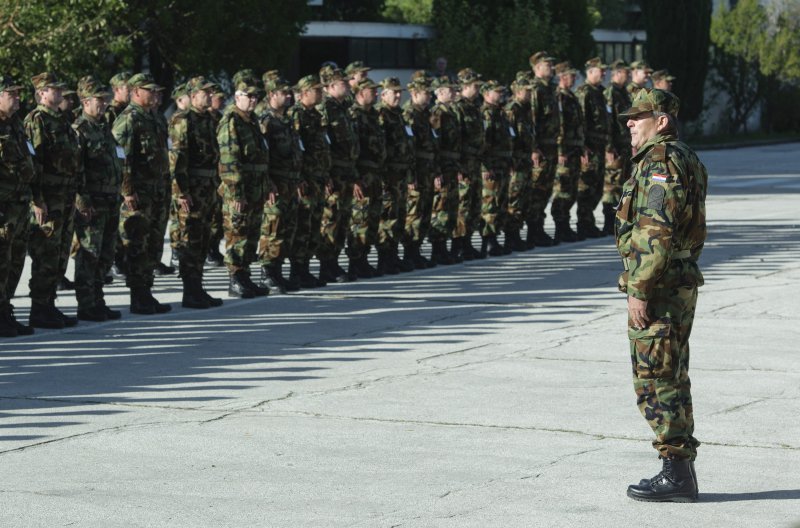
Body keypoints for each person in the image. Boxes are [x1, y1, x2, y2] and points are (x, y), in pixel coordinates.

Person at [616, 88, 706, 502]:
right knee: (671, 373)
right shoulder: (683, 156)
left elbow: (656, 231)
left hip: (661, 286)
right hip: (676, 281)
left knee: (656, 378)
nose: (630, 123)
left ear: (662, 121)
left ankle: (676, 474)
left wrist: (639, 289)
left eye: (639, 116)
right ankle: (679, 469)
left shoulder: (661, 162)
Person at [24, 72, 82, 329]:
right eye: (52, 90)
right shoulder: (37, 120)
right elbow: (34, 163)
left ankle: (49, 305)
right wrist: (37, 199)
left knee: (59, 255)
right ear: (41, 94)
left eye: (59, 90)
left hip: (65, 197)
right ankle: (39, 308)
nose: (58, 93)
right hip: (48, 198)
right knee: (45, 254)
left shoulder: (62, 120)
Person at [112, 73, 172, 314]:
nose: (156, 94)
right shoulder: (128, 119)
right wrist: (127, 190)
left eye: (157, 90)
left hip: (157, 191)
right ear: (136, 92)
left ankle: (147, 290)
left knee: (154, 244)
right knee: (137, 243)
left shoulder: (156, 118)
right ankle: (138, 295)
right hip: (138, 194)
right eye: (150, 90)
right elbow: (121, 158)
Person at [168, 76, 224, 308]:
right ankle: (189, 291)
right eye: (205, 92)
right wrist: (181, 192)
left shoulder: (211, 119)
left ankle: (198, 287)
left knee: (203, 239)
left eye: (211, 92)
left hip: (209, 188)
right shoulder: (183, 120)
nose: (210, 95)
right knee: (189, 239)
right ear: (192, 96)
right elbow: (176, 160)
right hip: (191, 189)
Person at [72, 76, 124, 322]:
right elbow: (76, 169)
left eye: (105, 100)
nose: (104, 105)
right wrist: (82, 201)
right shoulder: (80, 130)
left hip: (110, 199)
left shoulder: (104, 128)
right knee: (89, 253)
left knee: (106, 252)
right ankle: (86, 304)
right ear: (85, 102)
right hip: (92, 202)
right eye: (99, 100)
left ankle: (98, 299)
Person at [217, 79, 271, 298]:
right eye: (249, 96)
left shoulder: (251, 120)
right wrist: (236, 192)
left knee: (251, 233)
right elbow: (230, 159)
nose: (253, 100)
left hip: (255, 187)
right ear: (237, 97)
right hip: (239, 189)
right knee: (237, 233)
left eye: (255, 97)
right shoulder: (231, 121)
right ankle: (235, 278)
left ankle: (245, 275)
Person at [257, 77, 303, 293]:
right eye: (283, 92)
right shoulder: (265, 122)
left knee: (287, 229)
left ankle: (278, 271)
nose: (288, 96)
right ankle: (267, 273)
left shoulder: (286, 120)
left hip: (290, 182)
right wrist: (268, 184)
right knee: (272, 229)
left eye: (288, 92)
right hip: (276, 184)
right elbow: (262, 157)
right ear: (271, 95)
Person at [0, 75, 36, 337]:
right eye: (11, 93)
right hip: (3, 205)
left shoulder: (15, 124)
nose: (17, 97)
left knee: (15, 260)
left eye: (18, 93)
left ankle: (5, 310)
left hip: (20, 204)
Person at [317, 66, 359, 283]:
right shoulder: (324, 109)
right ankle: (327, 264)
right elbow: (323, 147)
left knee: (343, 219)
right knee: (331, 218)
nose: (348, 84)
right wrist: (327, 176)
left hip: (347, 172)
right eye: (343, 82)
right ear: (330, 86)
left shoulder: (343, 107)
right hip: (334, 173)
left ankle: (334, 260)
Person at [375, 77, 414, 274]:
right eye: (394, 92)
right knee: (387, 216)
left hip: (400, 174)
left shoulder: (398, 114)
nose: (398, 95)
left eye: (399, 92)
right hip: (388, 174)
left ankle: (393, 254)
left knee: (399, 215)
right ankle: (384, 257)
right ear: (384, 95)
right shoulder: (381, 115)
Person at [347, 77, 385, 277]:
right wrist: (354, 178)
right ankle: (355, 260)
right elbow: (352, 151)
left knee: (372, 219)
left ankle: (363, 259)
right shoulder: (353, 116)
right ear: (361, 93)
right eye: (373, 90)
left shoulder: (372, 115)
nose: (377, 94)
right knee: (359, 219)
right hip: (362, 175)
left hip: (375, 175)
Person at [401, 73, 436, 269]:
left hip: (428, 170)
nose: (429, 96)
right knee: (413, 214)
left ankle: (416, 249)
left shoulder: (425, 115)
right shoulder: (409, 115)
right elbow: (408, 150)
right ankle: (409, 252)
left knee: (424, 211)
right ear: (414, 93)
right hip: (416, 172)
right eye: (426, 92)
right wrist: (410, 175)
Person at [575, 57, 612, 239]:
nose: (604, 73)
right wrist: (583, 146)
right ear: (590, 72)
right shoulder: (584, 92)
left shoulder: (601, 92)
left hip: (601, 146)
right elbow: (581, 121)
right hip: (590, 147)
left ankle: (588, 221)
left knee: (598, 186)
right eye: (601, 70)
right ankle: (583, 223)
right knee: (587, 185)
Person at [552, 62, 587, 243]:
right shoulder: (558, 97)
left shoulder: (571, 96)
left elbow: (578, 126)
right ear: (562, 77)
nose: (574, 79)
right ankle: (560, 226)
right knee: (562, 188)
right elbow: (559, 126)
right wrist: (560, 150)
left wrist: (581, 148)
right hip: (565, 150)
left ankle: (565, 225)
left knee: (572, 188)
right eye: (571, 76)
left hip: (574, 149)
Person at [527, 51, 559, 247]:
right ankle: (533, 230)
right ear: (537, 68)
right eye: (548, 65)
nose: (552, 68)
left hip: (551, 147)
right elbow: (531, 121)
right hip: (540, 149)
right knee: (537, 190)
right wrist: (533, 148)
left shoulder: (550, 89)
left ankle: (539, 228)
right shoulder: (535, 90)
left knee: (546, 189)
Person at [452, 68, 485, 261]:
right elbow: (456, 140)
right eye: (475, 85)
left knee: (474, 204)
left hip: (476, 163)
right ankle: (458, 243)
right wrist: (458, 165)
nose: (478, 88)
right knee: (462, 205)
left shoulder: (475, 106)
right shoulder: (458, 108)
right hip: (464, 163)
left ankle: (468, 241)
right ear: (464, 86)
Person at [478, 79, 513, 257]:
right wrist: (486, 166)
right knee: (489, 204)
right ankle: (488, 239)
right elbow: (483, 144)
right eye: (496, 92)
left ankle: (495, 237)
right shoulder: (485, 114)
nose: (500, 95)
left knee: (500, 202)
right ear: (486, 94)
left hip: (502, 164)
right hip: (491, 166)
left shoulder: (499, 113)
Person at [428, 76, 461, 265]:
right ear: (440, 93)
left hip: (452, 166)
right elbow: (435, 145)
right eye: (451, 90)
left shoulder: (451, 113)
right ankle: (437, 249)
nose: (455, 92)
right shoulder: (437, 114)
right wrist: (437, 171)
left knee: (450, 208)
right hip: (442, 167)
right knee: (439, 208)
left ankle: (445, 247)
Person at [504, 76, 535, 252]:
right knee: (514, 199)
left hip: (525, 160)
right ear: (517, 91)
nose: (529, 93)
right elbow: (510, 139)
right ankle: (511, 236)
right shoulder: (512, 110)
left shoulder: (525, 109)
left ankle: (517, 234)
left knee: (524, 198)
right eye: (526, 90)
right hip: (516, 162)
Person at [603, 59, 632, 235]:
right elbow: (608, 122)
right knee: (612, 185)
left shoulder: (623, 93)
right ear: (617, 74)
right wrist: (608, 146)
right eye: (625, 73)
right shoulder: (611, 93)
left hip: (625, 145)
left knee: (624, 184)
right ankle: (608, 221)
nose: (628, 76)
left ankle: (619, 219)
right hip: (615, 146)